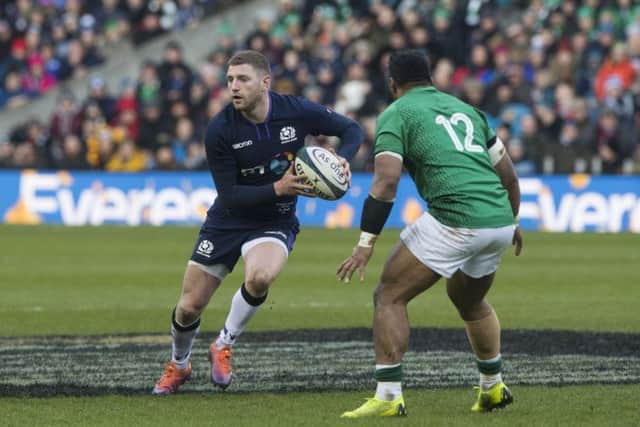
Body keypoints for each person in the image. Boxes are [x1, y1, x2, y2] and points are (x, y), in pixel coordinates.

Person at [152, 50, 364, 395]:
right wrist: (278, 187)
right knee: (189, 306)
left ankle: (223, 343)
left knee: (261, 276)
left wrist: (342, 159)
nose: (234, 87)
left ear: (265, 82)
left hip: (274, 219)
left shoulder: (295, 111)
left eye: (242, 79)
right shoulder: (220, 129)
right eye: (230, 80)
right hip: (228, 219)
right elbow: (230, 194)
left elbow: (351, 129)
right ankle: (179, 364)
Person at [336, 49, 523, 418]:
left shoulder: (397, 113)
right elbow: (509, 176)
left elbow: (386, 181)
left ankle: (388, 396)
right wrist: (510, 220)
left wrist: (364, 244)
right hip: (498, 219)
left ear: (393, 84)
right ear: (431, 79)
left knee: (389, 294)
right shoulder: (467, 110)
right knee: (468, 300)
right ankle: (493, 388)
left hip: (456, 217)